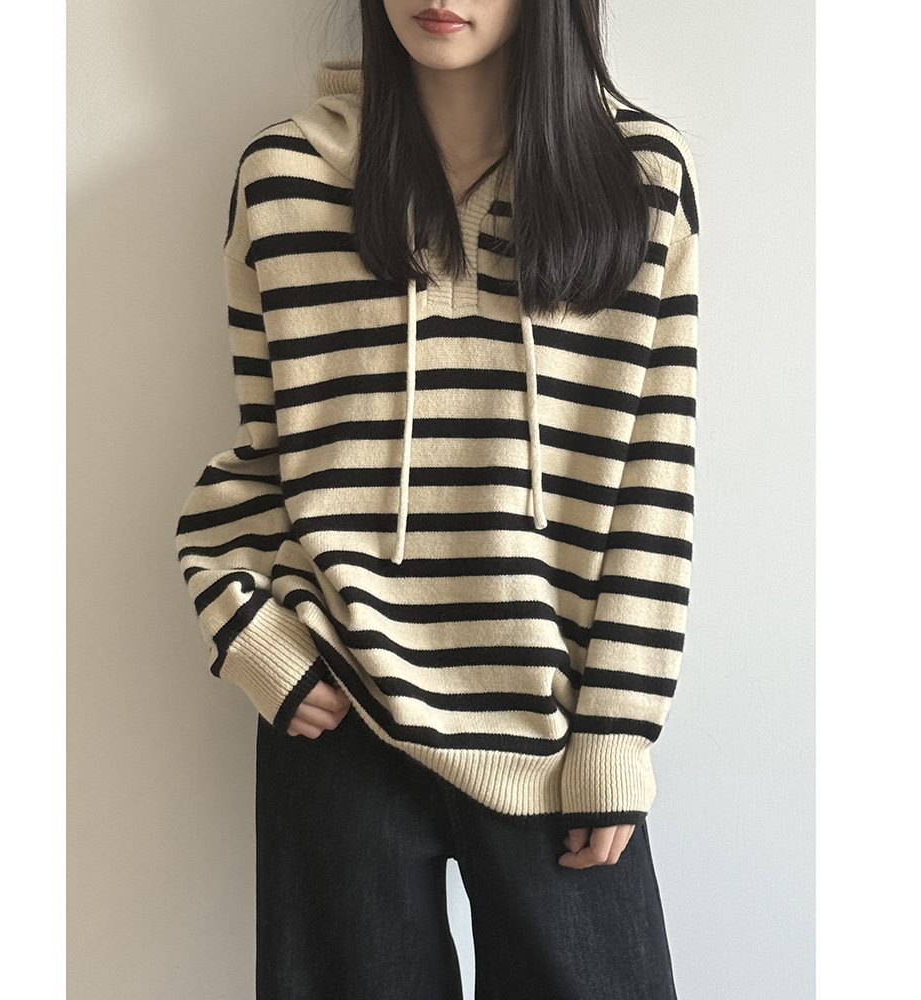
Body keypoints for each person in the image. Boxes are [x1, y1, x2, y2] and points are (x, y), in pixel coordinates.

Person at [174, 2, 699, 997]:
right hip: (337, 713)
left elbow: (654, 478)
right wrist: (247, 627)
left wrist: (618, 727)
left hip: (553, 728)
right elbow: (263, 450)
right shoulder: (284, 180)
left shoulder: (639, 177)